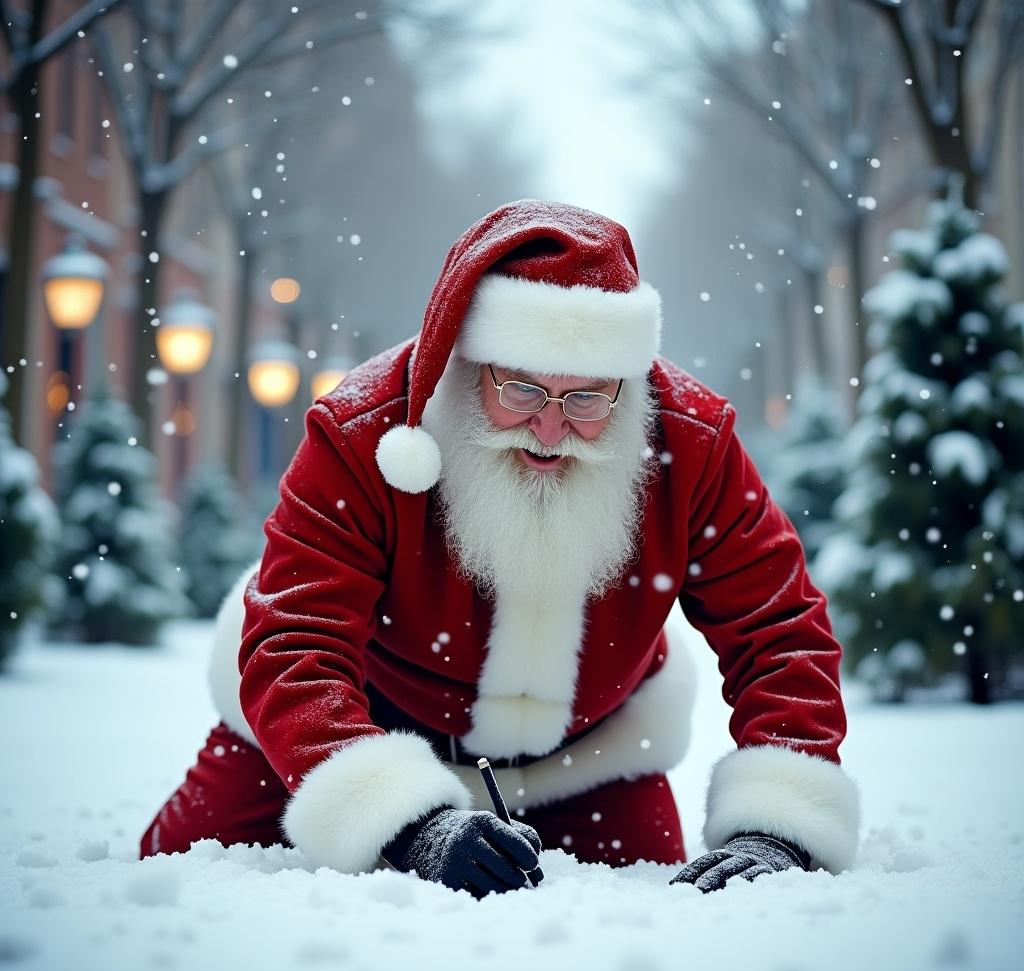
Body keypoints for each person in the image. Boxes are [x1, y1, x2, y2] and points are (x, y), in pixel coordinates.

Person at [141, 199, 859, 896]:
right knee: (178, 873)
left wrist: (778, 823)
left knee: (651, 914)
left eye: (587, 398)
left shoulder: (690, 444)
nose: (550, 429)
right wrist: (406, 819)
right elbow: (297, 641)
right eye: (520, 389)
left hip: (587, 757)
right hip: (356, 730)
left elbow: (779, 630)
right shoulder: (364, 431)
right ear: (466, 361)